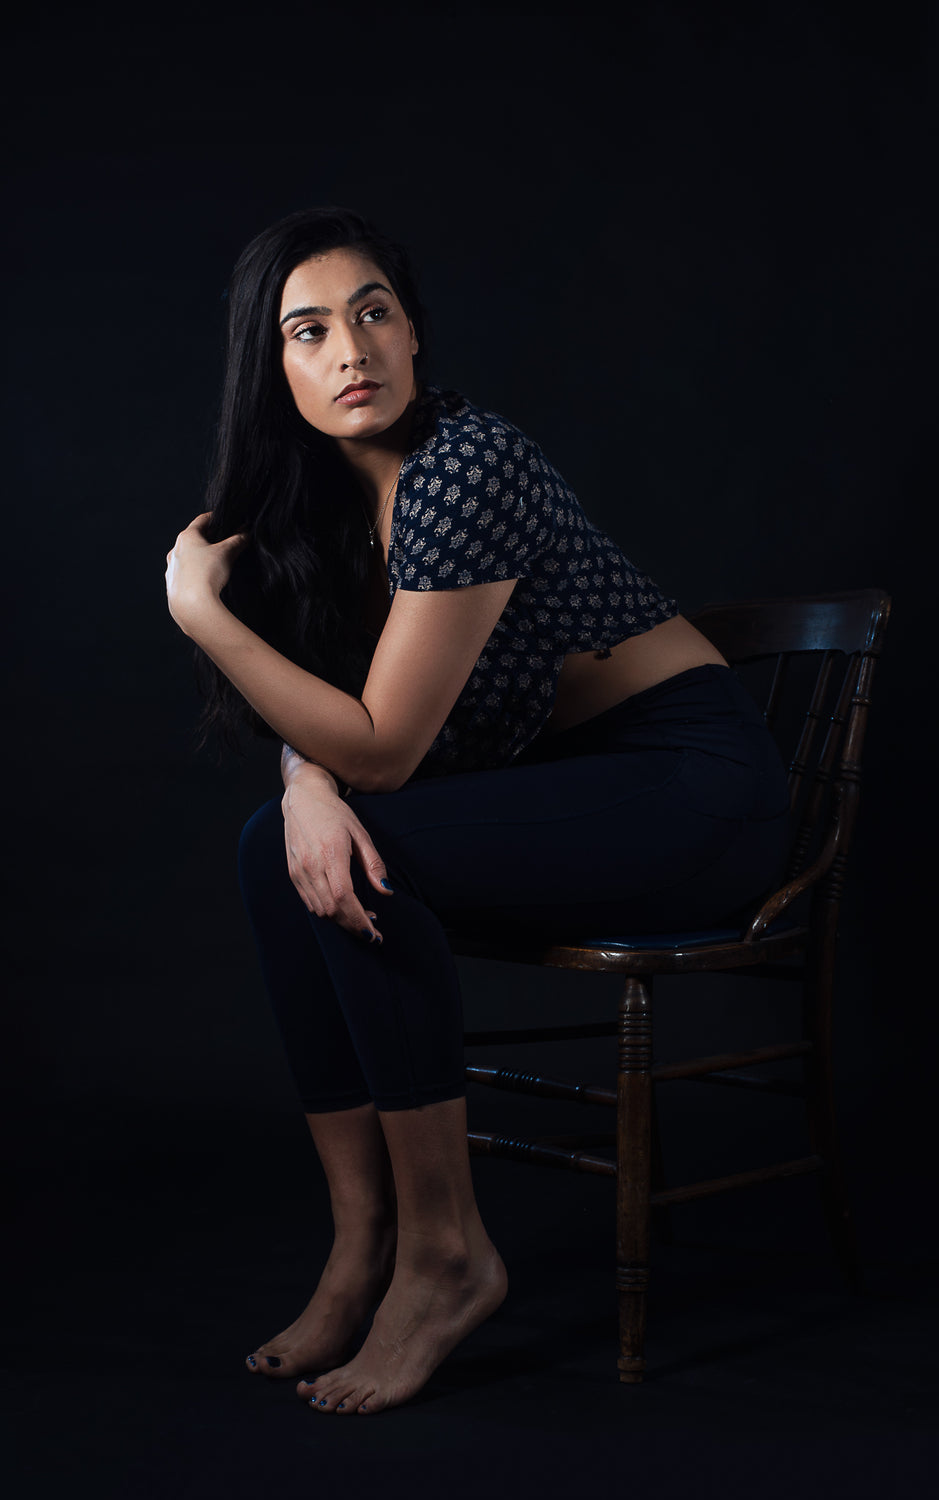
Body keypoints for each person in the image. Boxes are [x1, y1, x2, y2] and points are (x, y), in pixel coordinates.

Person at [165, 206, 791, 1415]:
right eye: (311, 329)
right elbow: (336, 724)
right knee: (270, 854)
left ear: (414, 335)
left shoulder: (469, 465)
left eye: (374, 313)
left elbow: (387, 749)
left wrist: (204, 617)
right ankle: (364, 1247)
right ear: (273, 366)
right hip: (574, 787)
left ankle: (447, 1254)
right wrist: (302, 785)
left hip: (694, 789)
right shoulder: (332, 515)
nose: (351, 349)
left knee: (374, 849)